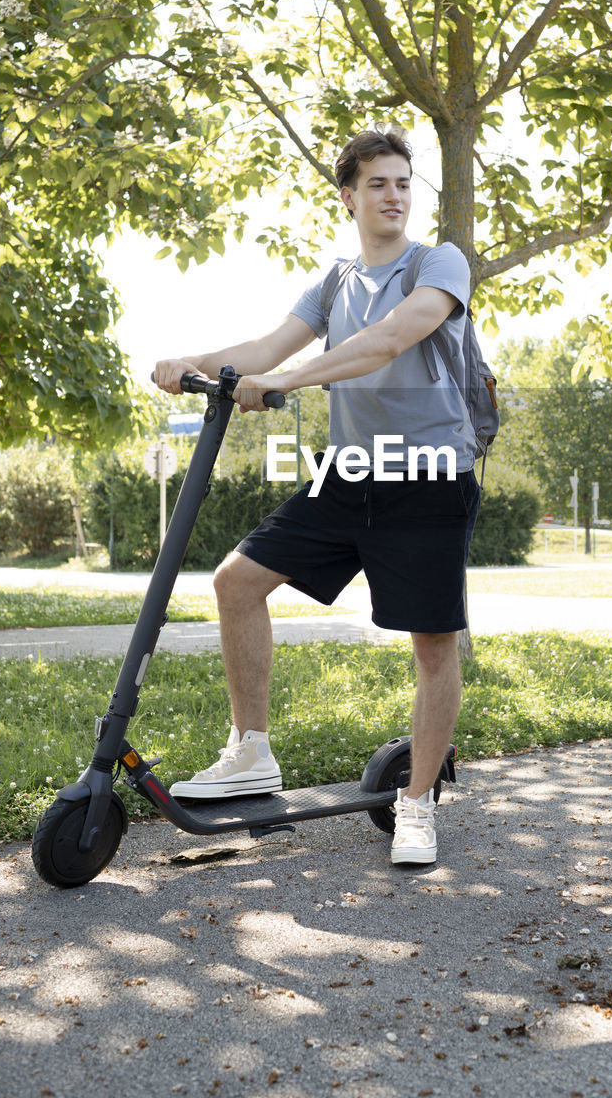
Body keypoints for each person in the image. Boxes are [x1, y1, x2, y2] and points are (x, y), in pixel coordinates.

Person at [152, 129, 480, 866]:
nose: (394, 195)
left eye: (403, 183)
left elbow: (391, 340)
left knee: (431, 643)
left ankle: (418, 804)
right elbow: (265, 351)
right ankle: (250, 753)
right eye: (378, 184)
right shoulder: (334, 282)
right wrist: (189, 362)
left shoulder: (438, 263)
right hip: (351, 475)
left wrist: (289, 382)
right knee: (238, 581)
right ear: (348, 196)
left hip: (429, 476)